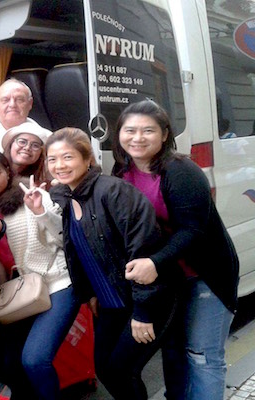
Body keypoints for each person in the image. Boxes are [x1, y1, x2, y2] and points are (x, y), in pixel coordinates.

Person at [111, 100, 239, 400]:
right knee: (173, 351)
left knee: (202, 355)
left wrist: (155, 262)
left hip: (204, 275)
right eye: (130, 130)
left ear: (165, 134)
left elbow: (193, 230)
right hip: (168, 280)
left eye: (148, 130)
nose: (137, 138)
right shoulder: (123, 171)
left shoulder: (180, 170)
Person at [46, 127, 176, 400]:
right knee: (104, 368)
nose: (59, 165)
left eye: (68, 157)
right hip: (111, 302)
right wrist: (92, 293)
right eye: (52, 159)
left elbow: (144, 251)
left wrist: (143, 312)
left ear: (87, 159)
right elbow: (83, 252)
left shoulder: (113, 191)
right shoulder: (68, 197)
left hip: (146, 299)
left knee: (122, 369)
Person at [0, 149, 77, 399]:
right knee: (8, 362)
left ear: (8, 172)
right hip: (18, 295)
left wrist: (39, 212)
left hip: (56, 282)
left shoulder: (30, 196)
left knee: (35, 359)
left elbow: (63, 238)